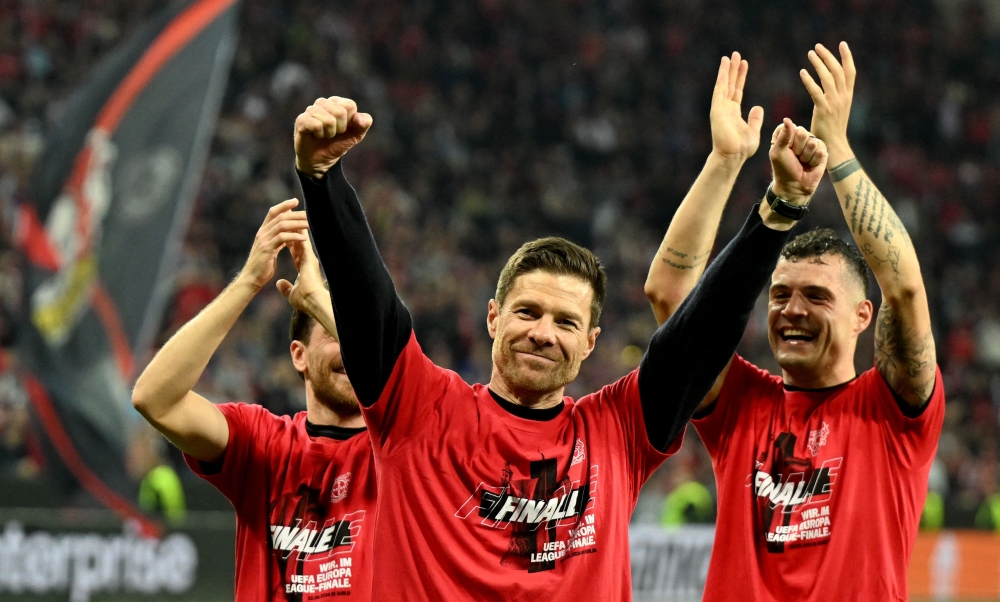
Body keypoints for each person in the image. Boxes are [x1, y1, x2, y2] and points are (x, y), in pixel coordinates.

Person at [294, 52, 827, 600]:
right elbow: (366, 296)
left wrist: (778, 212)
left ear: (590, 342)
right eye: (527, 312)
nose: (544, 333)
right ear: (493, 317)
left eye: (565, 322)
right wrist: (322, 180)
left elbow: (701, 332)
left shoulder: (618, 430)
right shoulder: (420, 409)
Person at [645, 42, 944, 601]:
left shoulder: (892, 411)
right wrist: (725, 161)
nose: (792, 309)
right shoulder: (740, 405)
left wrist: (838, 153)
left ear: (863, 316)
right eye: (779, 294)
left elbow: (903, 287)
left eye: (815, 295)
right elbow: (670, 294)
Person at [132, 203, 377, 601]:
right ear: (298, 355)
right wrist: (248, 280)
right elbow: (153, 398)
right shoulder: (263, 442)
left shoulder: (402, 451)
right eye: (334, 335)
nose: (350, 351)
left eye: (354, 333)